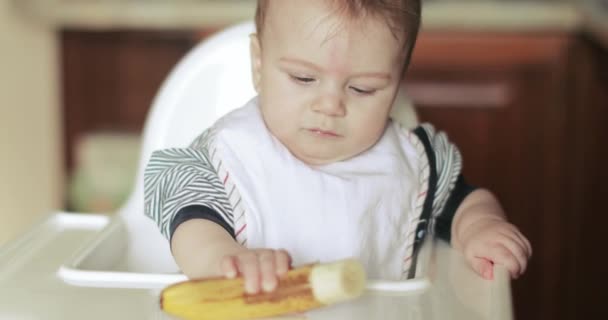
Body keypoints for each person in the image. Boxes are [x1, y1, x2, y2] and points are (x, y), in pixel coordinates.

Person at [144, 0, 531, 295]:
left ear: (397, 82)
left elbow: (465, 199)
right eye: (303, 78)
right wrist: (223, 261)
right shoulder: (228, 154)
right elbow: (189, 220)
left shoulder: (412, 161)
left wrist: (479, 225)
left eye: (362, 88)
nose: (330, 105)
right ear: (259, 64)